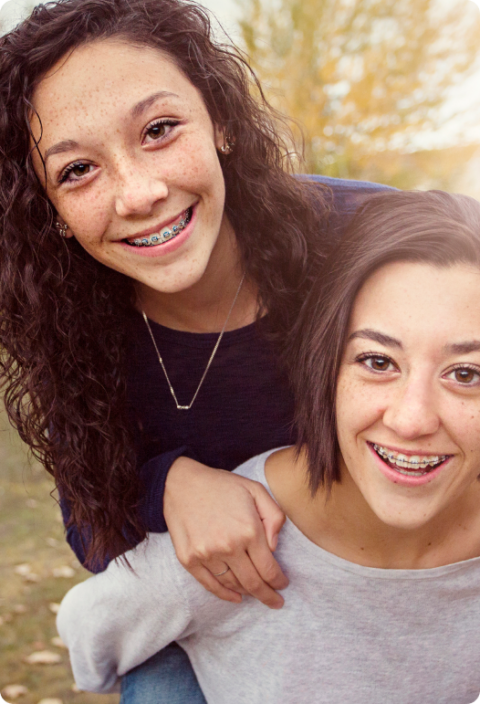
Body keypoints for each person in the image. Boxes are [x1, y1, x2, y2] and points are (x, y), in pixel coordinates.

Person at [0, 0, 388, 700]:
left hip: (395, 585)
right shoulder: (72, 324)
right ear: (49, 211)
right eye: (78, 171)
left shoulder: (371, 240)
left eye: (159, 130)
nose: (140, 193)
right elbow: (89, 523)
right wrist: (170, 485)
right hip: (219, 614)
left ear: (222, 122)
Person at [58, 189, 480, 703]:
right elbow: (90, 631)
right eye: (377, 362)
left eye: (466, 374)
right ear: (326, 364)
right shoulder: (235, 545)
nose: (412, 419)